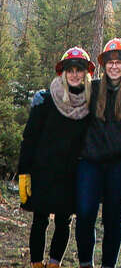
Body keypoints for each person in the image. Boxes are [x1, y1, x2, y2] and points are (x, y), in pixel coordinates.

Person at [75, 37, 121, 268]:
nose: (114, 66)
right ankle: (86, 263)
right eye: (110, 62)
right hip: (90, 163)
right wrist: (45, 97)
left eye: (119, 62)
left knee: (112, 219)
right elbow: (69, 100)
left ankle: (108, 265)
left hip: (120, 166)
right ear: (104, 65)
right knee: (85, 213)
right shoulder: (93, 89)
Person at [18, 47, 93, 268]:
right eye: (70, 70)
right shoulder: (46, 100)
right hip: (44, 172)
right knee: (39, 220)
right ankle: (36, 264)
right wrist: (24, 171)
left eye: (79, 70)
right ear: (63, 73)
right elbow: (29, 138)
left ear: (86, 73)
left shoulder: (91, 103)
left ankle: (53, 264)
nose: (74, 74)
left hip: (72, 174)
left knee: (63, 221)